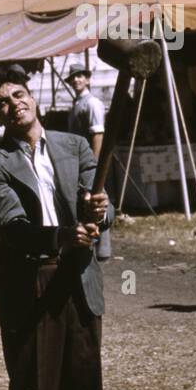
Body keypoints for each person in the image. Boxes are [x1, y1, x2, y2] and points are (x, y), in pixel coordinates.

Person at [0, 67, 112, 390]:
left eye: (18, 94)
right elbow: (12, 225)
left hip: (80, 280)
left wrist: (100, 214)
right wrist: (61, 236)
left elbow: (101, 211)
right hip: (31, 282)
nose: (14, 103)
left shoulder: (74, 145)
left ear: (32, 97)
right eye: (2, 102)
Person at [66, 67, 113, 262]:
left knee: (97, 199)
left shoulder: (92, 103)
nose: (76, 80)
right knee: (85, 200)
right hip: (76, 159)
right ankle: (90, 243)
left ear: (87, 79)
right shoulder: (77, 103)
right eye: (73, 78)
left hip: (89, 160)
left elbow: (98, 135)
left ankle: (103, 248)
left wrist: (94, 164)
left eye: (80, 76)